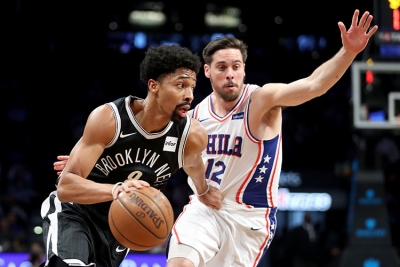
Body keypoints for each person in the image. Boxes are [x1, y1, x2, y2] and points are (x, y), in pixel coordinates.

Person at [54, 9, 378, 267]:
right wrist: (104, 166)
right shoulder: (190, 115)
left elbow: (313, 85)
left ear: (244, 70)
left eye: (236, 66)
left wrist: (348, 53)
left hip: (250, 217)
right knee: (180, 263)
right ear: (207, 72)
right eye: (222, 67)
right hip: (205, 208)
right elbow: (145, 144)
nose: (230, 73)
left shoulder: (262, 101)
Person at [40, 44, 223, 267]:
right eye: (180, 85)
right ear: (153, 86)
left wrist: (203, 190)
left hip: (122, 225)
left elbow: (193, 165)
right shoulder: (109, 119)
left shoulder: (192, 135)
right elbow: (66, 187)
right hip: (77, 212)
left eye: (192, 88)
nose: (189, 95)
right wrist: (117, 189)